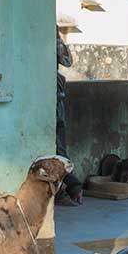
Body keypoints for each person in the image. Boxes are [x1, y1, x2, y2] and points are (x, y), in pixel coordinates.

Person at [55, 25, 83, 206]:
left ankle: (71, 187)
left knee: (58, 148)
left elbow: (67, 60)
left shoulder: (51, 37)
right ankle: (71, 186)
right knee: (57, 149)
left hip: (55, 102)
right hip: (52, 100)